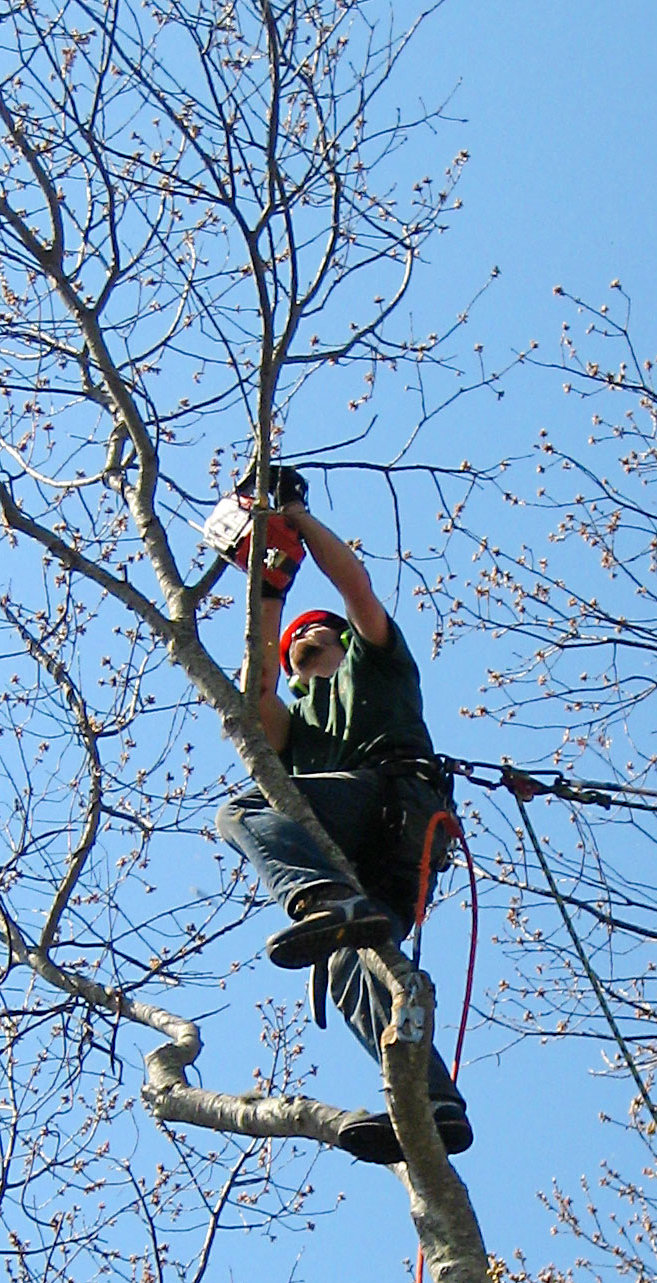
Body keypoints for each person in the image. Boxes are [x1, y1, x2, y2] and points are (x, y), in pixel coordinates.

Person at [209, 472, 472, 1165]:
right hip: (367, 859)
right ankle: (427, 1103)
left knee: (244, 810)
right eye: (297, 646)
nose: (308, 641)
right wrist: (267, 584)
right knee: (358, 965)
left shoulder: (377, 664)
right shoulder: (294, 725)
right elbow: (255, 687)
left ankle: (325, 899)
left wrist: (297, 519)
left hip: (394, 802)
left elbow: (354, 587)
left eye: (317, 634)